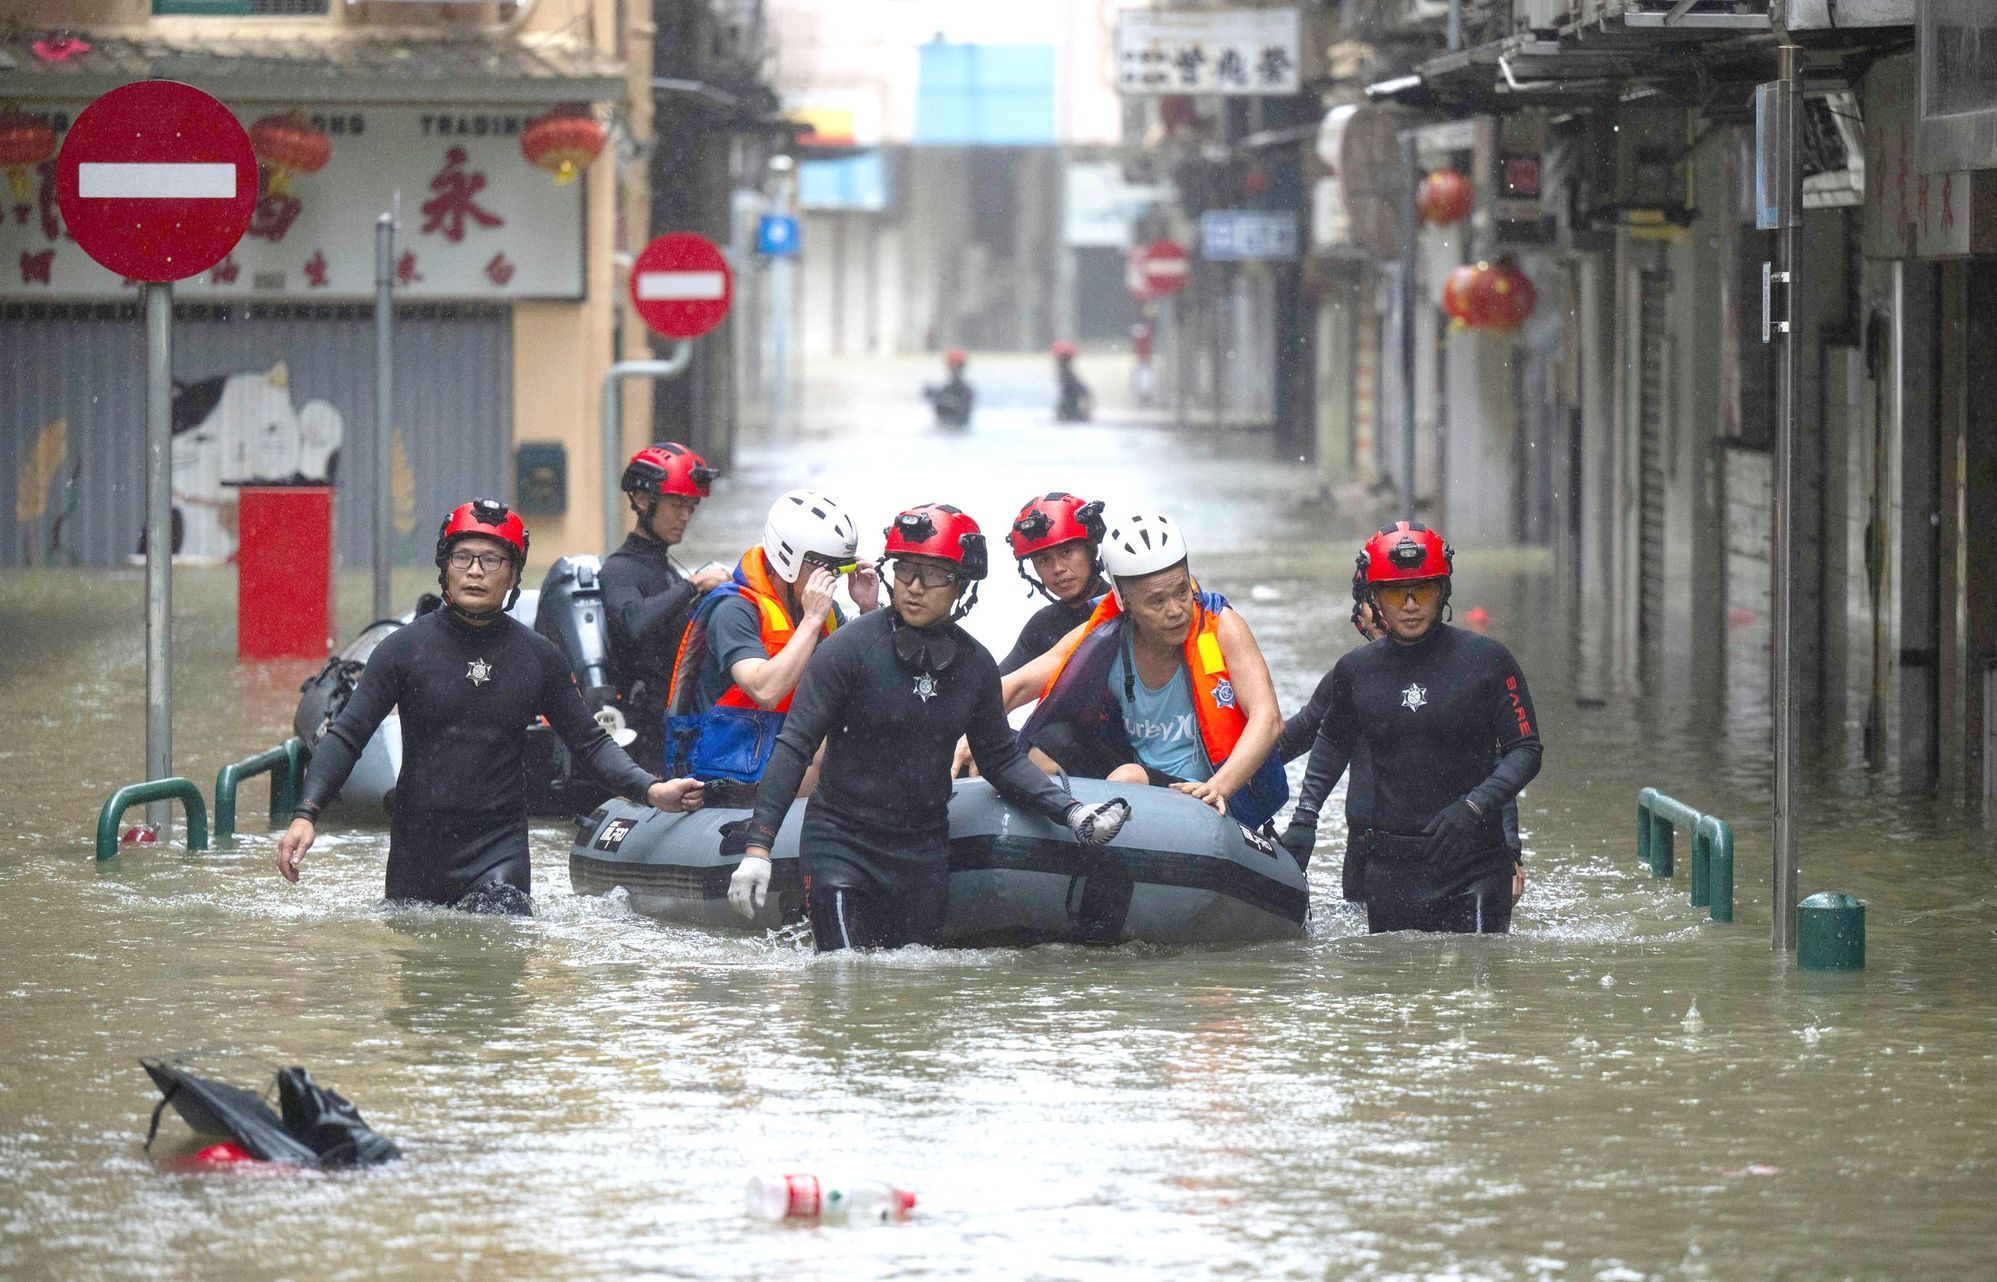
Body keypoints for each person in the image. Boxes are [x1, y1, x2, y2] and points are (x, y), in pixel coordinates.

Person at [725, 503, 1129, 951]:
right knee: (842, 979)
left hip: (922, 853)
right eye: (905, 571)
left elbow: (1000, 758)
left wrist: (1071, 811)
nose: (914, 588)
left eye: (933, 575)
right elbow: (795, 745)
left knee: (915, 992)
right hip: (842, 843)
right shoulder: (848, 649)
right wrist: (759, 849)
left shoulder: (975, 666)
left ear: (960, 585)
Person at [276, 498, 705, 913]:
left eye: (492, 560)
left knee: (499, 959)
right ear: (445, 568)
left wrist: (650, 789)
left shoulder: (538, 657)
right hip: (417, 854)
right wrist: (305, 814)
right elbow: (348, 735)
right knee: (421, 974)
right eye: (463, 558)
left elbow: (591, 743)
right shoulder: (401, 651)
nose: (476, 571)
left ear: (514, 574)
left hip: (499, 851)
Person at [1278, 521, 1542, 934]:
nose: (1411, 604)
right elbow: (1328, 742)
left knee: (1478, 990)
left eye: (1424, 590)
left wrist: (1475, 808)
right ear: (1373, 598)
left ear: (1444, 591)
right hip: (1390, 868)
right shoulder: (1354, 671)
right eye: (1395, 593)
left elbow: (1524, 749)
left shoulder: (1488, 661)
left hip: (1475, 858)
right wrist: (1304, 819)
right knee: (1394, 987)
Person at [992, 509, 1289, 831]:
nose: (1175, 611)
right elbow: (1017, 685)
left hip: (1210, 789)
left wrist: (1221, 785)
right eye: (1157, 601)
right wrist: (974, 739)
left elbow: (1268, 718)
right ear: (1123, 601)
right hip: (1136, 769)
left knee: (1128, 778)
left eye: (1181, 592)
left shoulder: (1222, 627)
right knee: (1046, 746)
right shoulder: (1105, 635)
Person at [665, 489, 880, 799]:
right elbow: (765, 690)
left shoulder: (823, 611)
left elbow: (871, 681)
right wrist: (811, 621)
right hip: (726, 776)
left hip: (783, 757)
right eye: (827, 568)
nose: (833, 580)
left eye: (841, 568)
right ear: (788, 558)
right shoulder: (734, 610)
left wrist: (868, 611)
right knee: (833, 740)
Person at [599, 442, 731, 773]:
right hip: (642, 734)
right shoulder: (620, 568)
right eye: (676, 505)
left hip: (677, 725)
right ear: (643, 500)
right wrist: (694, 585)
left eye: (691, 506)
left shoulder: (666, 568)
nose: (685, 516)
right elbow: (632, 623)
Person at [997, 491, 1110, 675]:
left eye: (1066, 552)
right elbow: (996, 690)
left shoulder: (1128, 612)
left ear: (1090, 549)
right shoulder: (1042, 626)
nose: (1057, 568)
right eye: (1043, 560)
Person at [923, 348, 975, 427]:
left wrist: (939, 398)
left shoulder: (966, 391)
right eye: (951, 366)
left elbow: (962, 413)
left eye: (955, 366)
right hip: (946, 429)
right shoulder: (945, 389)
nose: (953, 369)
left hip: (957, 429)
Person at [1052, 341, 1094, 423]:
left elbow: (1068, 393)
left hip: (1070, 410)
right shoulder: (1067, 372)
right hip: (1072, 410)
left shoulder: (1065, 372)